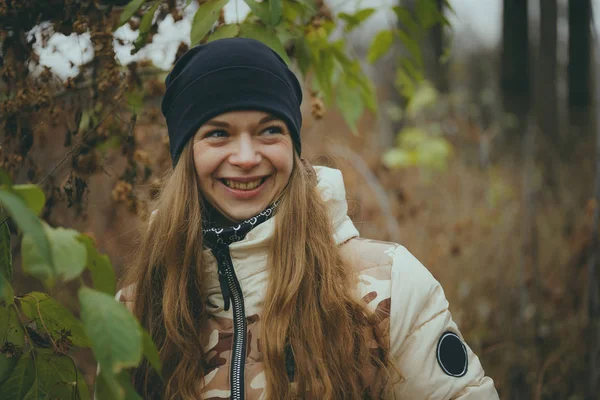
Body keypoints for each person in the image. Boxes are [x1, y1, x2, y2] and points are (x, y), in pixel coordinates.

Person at [116, 37, 499, 399]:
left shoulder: (387, 285)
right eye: (218, 134)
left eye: (269, 131)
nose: (247, 157)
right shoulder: (138, 309)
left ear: (294, 148)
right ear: (186, 156)